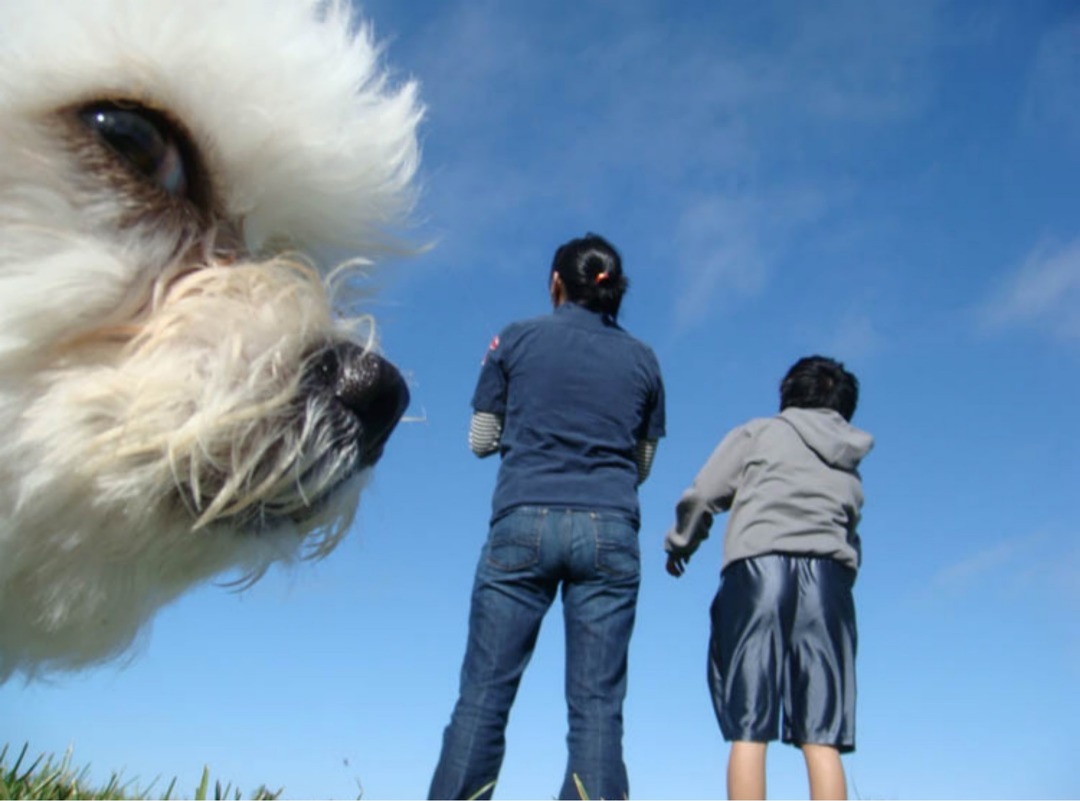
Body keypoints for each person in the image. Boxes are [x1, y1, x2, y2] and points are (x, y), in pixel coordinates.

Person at [429, 234, 666, 800]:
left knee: (484, 695)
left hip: (522, 522)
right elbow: (642, 463)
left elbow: (480, 440)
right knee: (598, 709)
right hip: (609, 528)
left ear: (557, 283)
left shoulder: (514, 339)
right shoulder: (643, 359)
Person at [664, 356, 873, 801]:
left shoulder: (758, 433)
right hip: (828, 582)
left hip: (758, 572)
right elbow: (851, 535)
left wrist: (681, 543)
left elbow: (704, 494)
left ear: (789, 392)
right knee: (822, 733)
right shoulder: (850, 459)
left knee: (749, 723)